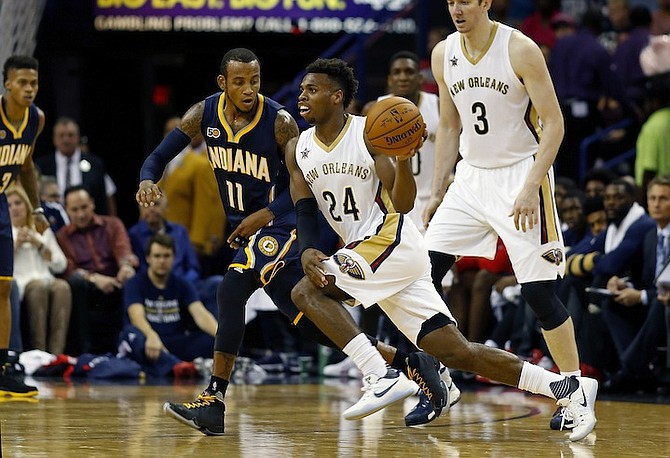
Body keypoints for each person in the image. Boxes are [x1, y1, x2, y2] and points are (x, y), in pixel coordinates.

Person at [286, 57, 598, 442]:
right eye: (302, 89)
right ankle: (567, 389)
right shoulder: (297, 148)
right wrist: (306, 248)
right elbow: (303, 207)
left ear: (337, 97)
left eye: (312, 90)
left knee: (305, 290)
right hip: (372, 252)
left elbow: (402, 204)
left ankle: (379, 373)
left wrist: (402, 163)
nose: (302, 96)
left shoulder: (369, 133)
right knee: (456, 352)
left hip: (391, 239)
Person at [136, 48, 441, 435]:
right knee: (308, 323)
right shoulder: (203, 114)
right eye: (240, 82)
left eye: (256, 80)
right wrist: (148, 179)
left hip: (282, 225)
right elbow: (157, 158)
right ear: (222, 84)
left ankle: (214, 401)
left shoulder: (280, 122)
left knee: (231, 290)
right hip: (247, 229)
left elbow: (302, 186)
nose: (249, 89)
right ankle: (409, 361)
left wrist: (265, 215)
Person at [421, 0, 590, 432]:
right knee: (420, 275)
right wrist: (437, 191)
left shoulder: (520, 49)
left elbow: (554, 124)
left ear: (485, 2)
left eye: (465, 0)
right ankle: (435, 371)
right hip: (471, 178)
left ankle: (576, 390)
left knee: (538, 294)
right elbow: (449, 125)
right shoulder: (444, 53)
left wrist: (532, 185)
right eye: (450, 1)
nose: (456, 8)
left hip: (520, 174)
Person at [0, 55, 48, 396]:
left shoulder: (36, 119)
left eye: (33, 83)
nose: (29, 89)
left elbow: (27, 166)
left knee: (4, 287)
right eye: (22, 83)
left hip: (2, 203)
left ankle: (4, 366)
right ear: (7, 85)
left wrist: (37, 207)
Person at [119, 233, 217, 377]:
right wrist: (151, 335)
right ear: (148, 258)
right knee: (130, 334)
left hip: (174, 343)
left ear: (174, 258)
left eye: (166, 256)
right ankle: (180, 366)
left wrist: (222, 337)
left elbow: (200, 314)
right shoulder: (135, 283)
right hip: (148, 340)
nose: (162, 261)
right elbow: (136, 317)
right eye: (157, 256)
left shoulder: (182, 284)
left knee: (211, 340)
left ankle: (172, 367)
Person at [57, 185, 138, 355]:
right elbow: (68, 268)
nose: (81, 214)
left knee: (132, 277)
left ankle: (131, 345)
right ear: (67, 210)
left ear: (93, 204)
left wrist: (125, 266)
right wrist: (94, 278)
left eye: (84, 207)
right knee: (75, 282)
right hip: (87, 285)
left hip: (115, 280)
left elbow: (124, 250)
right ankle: (85, 351)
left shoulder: (112, 224)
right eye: (75, 209)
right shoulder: (62, 236)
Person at [7, 185, 71, 354]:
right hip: (22, 284)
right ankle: (39, 352)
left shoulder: (41, 230)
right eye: (9, 205)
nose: (14, 208)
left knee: (62, 287)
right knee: (38, 287)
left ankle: (57, 353)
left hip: (47, 279)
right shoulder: (5, 233)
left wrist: (40, 245)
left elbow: (60, 264)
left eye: (18, 203)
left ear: (27, 205)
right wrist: (16, 245)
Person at [35, 117, 117, 216]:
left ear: (78, 137)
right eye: (61, 135)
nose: (66, 139)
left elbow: (105, 199)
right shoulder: (42, 165)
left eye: (70, 135)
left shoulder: (95, 164)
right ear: (54, 139)